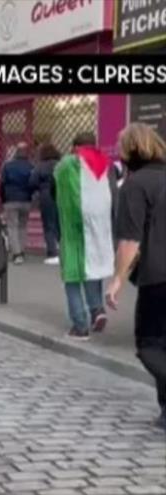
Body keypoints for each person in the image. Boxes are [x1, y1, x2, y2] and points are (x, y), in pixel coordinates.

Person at [106, 123, 166, 432]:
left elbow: (130, 240)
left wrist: (117, 279)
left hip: (158, 277)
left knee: (150, 345)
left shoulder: (135, 185)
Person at [54, 132, 113, 339]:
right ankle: (97, 310)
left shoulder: (66, 164)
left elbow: (57, 188)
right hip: (97, 227)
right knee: (92, 269)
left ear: (75, 146)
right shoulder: (103, 163)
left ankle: (80, 326)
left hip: (72, 227)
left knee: (72, 276)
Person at [0, 142, 35, 264]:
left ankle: (17, 253)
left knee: (12, 227)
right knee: (23, 226)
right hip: (26, 200)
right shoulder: (31, 166)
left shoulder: (7, 166)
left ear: (16, 152)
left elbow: (2, 184)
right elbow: (33, 184)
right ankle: (22, 250)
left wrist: (3, 199)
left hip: (10, 200)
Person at [30, 143, 62, 265]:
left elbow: (32, 182)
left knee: (49, 225)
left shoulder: (40, 167)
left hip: (46, 196)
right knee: (61, 223)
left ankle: (52, 253)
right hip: (61, 194)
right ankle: (63, 249)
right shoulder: (61, 165)